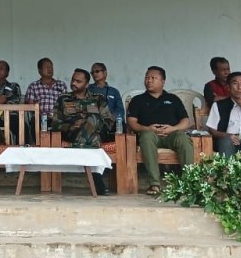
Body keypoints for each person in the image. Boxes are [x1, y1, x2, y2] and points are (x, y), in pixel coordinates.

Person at [126, 66, 194, 196]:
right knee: (146, 137)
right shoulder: (138, 100)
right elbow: (131, 122)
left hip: (172, 134)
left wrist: (173, 128)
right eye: (147, 78)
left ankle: (188, 183)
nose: (149, 81)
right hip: (150, 134)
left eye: (153, 78)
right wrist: (147, 128)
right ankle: (154, 184)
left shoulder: (173, 99)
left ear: (163, 81)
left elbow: (185, 121)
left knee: (184, 140)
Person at [51, 68, 115, 195]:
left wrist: (92, 125)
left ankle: (81, 146)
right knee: (93, 138)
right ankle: (97, 180)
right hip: (71, 134)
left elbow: (109, 121)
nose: (73, 83)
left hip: (96, 133)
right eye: (73, 80)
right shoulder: (63, 99)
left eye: (78, 81)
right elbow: (54, 123)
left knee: (93, 119)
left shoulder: (98, 99)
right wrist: (71, 126)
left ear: (86, 84)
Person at [89, 62, 124, 126]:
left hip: (110, 121)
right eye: (92, 72)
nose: (94, 74)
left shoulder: (114, 91)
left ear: (105, 73)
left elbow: (120, 109)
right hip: (93, 121)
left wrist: (114, 117)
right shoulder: (88, 89)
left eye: (97, 71)